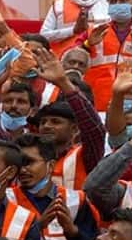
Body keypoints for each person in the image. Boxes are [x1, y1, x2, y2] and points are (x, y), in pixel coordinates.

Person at [8, 133, 101, 240]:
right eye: (19, 163)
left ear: (50, 165)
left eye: (28, 162)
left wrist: (72, 231)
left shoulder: (76, 201)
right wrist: (36, 227)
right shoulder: (7, 200)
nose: (22, 170)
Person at [34, 45, 106, 190]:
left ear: (74, 129)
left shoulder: (86, 156)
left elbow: (94, 130)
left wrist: (63, 83)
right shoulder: (27, 151)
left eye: (55, 122)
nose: (47, 126)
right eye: (43, 122)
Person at [39, 0, 108, 55]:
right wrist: (73, 31)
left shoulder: (104, 3)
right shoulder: (59, 5)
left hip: (97, 59)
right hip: (67, 59)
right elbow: (44, 35)